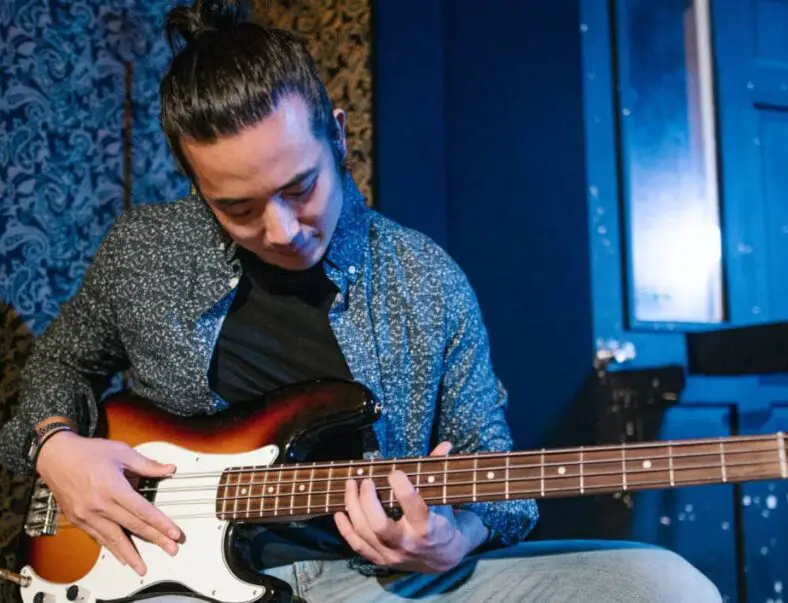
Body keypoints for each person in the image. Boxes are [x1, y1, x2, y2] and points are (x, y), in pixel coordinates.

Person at [0, 1, 723, 601]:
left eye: (300, 187)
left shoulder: (425, 278)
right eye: (238, 207)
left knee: (664, 583)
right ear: (196, 185)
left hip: (370, 580)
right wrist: (54, 445)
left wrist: (452, 538)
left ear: (338, 134)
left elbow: (494, 467)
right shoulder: (141, 248)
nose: (280, 229)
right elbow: (59, 365)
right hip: (160, 573)